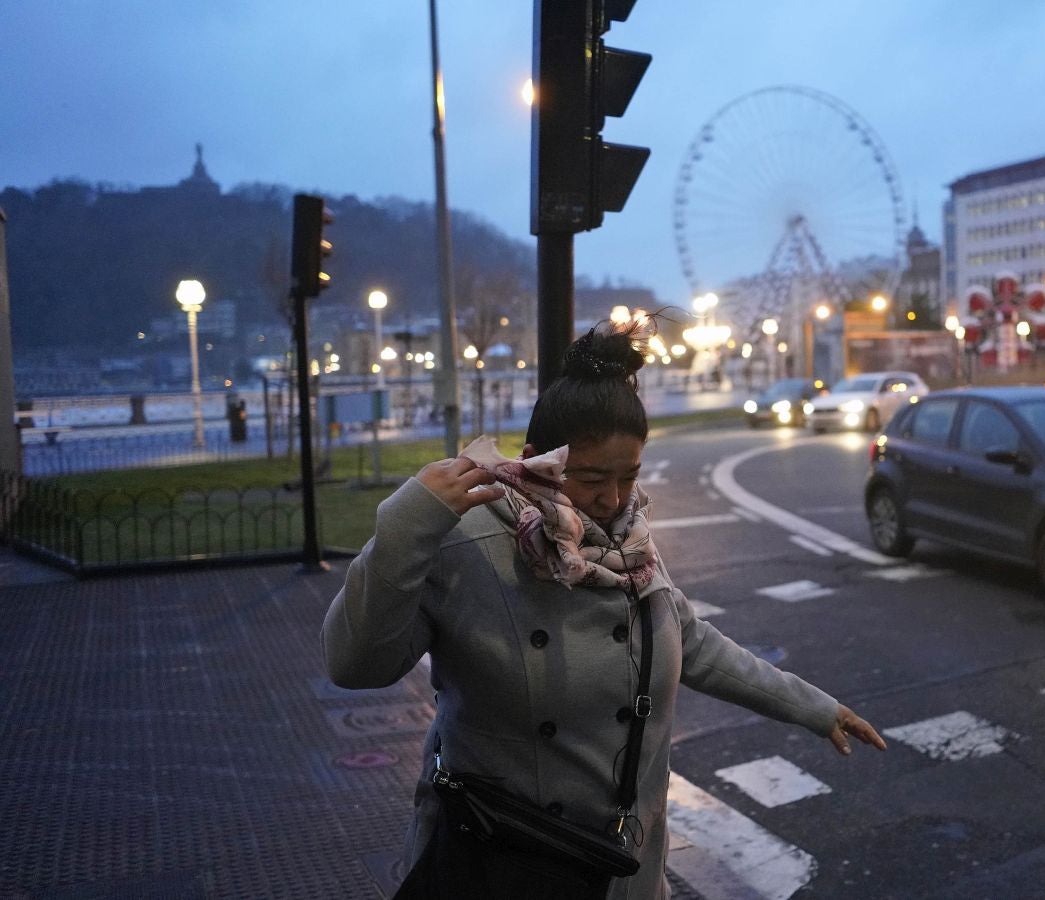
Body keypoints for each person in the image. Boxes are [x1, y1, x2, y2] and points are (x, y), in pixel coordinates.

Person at [321, 320, 886, 899]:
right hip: (501, 862)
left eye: (629, 476)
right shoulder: (462, 541)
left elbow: (689, 641)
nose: (613, 499)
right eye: (592, 478)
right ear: (537, 460)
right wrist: (403, 529)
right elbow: (355, 665)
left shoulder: (628, 542)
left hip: (623, 868)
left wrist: (812, 707)